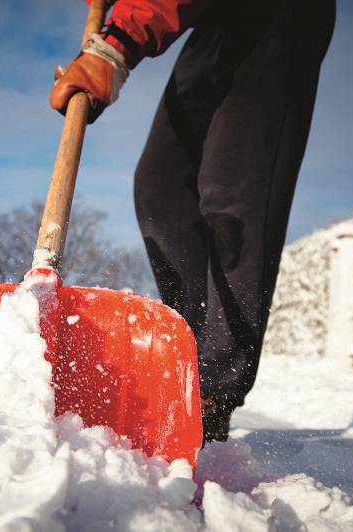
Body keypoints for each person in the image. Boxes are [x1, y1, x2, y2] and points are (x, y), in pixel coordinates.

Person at [50, 0, 335, 443]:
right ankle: (185, 360)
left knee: (232, 196)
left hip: (281, 15)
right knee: (160, 186)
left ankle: (211, 393)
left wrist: (115, 46)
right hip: (217, 20)